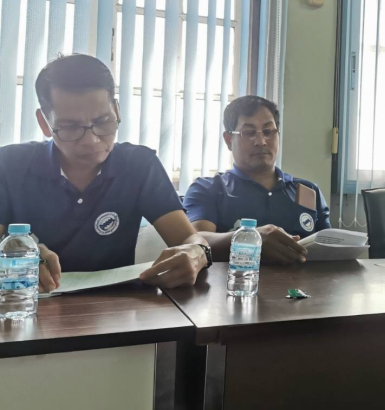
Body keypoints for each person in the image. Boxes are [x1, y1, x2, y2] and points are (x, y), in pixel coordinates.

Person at [0, 55, 212, 292]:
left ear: (117, 111)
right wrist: (15, 254)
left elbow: (188, 239)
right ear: (44, 123)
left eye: (102, 122)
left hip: (118, 306)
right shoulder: (10, 165)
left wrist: (197, 253)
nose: (91, 141)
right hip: (27, 302)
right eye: (71, 127)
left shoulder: (139, 164)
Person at [184, 96, 330, 265]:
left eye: (268, 132)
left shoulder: (307, 191)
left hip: (305, 282)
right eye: (249, 133)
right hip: (237, 281)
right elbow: (196, 242)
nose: (261, 142)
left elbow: (330, 247)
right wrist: (249, 239)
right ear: (229, 140)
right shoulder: (208, 189)